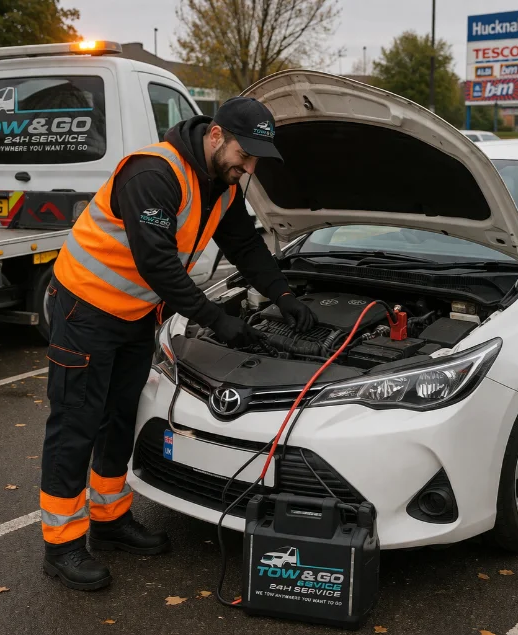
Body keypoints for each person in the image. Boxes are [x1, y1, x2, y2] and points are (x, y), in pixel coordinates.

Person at [39, 97, 317, 591]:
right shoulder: (154, 174)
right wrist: (216, 320)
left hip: (132, 314)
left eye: (255, 159)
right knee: (76, 423)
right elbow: (158, 264)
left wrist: (284, 295)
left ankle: (109, 519)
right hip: (85, 308)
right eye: (243, 154)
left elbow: (246, 246)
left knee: (119, 416)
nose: (248, 167)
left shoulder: (222, 186)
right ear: (215, 136)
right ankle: (61, 545)